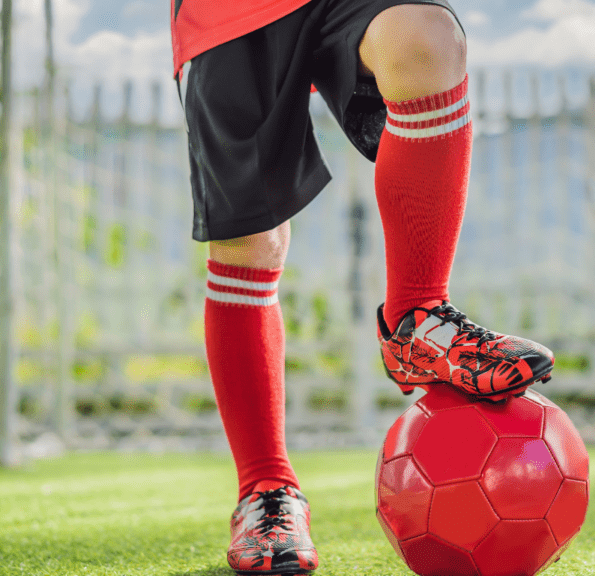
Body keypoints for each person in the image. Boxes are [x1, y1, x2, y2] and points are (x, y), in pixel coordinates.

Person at [170, 0, 556, 573]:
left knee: (424, 39)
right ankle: (265, 491)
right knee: (253, 244)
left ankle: (416, 320)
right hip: (229, 12)